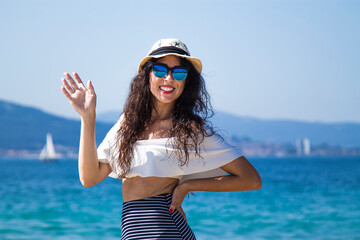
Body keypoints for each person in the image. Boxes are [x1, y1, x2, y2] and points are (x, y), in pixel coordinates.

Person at [61, 38, 262, 240]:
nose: (168, 78)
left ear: (186, 81)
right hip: (133, 232)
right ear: (147, 76)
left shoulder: (191, 130)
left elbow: (251, 180)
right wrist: (88, 118)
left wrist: (187, 186)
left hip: (167, 230)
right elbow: (89, 178)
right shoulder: (127, 124)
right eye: (160, 70)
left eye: (179, 72)